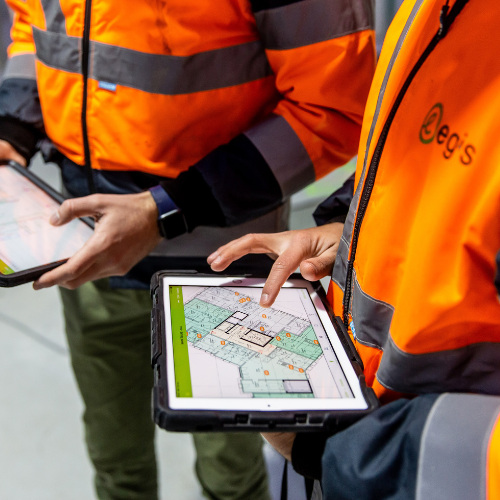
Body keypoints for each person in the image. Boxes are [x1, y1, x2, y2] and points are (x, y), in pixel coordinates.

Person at [0, 0, 376, 498]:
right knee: (116, 462)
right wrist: (14, 125)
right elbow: (35, 23)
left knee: (232, 476)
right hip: (88, 251)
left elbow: (332, 106)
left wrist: (170, 208)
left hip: (225, 268)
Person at [207, 0, 500, 497]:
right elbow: (413, 156)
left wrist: (340, 449)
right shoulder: (435, 9)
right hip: (357, 422)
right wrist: (351, 223)